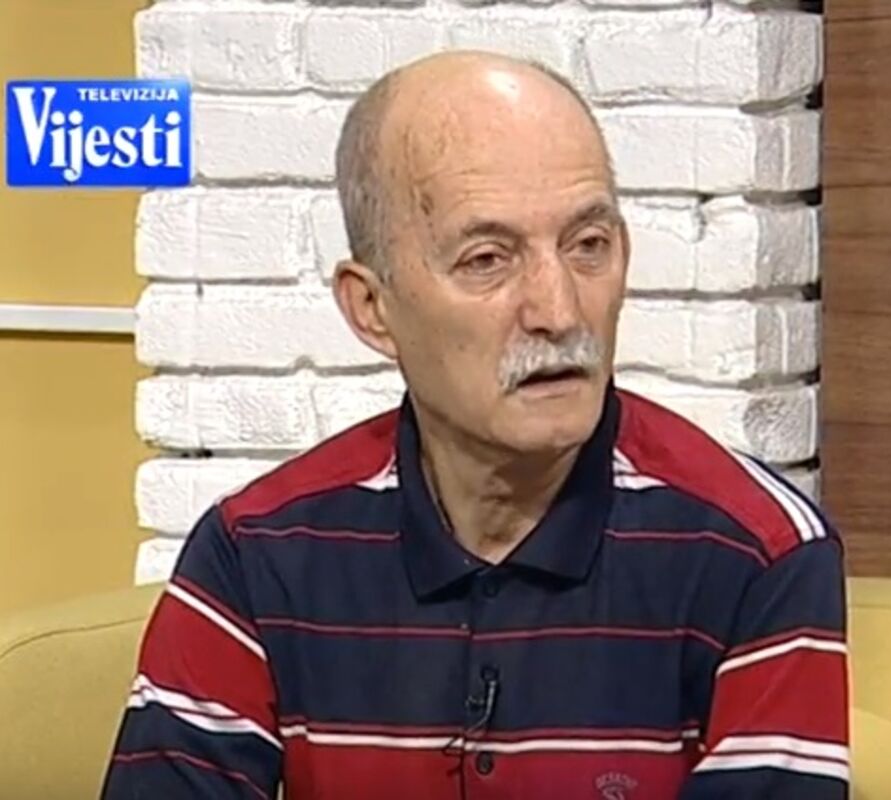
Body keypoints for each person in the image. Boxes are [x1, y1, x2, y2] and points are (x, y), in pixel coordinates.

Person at [100, 51, 849, 799]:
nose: (559, 311)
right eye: (488, 259)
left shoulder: (760, 553)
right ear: (372, 307)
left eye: (588, 245)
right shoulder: (254, 553)